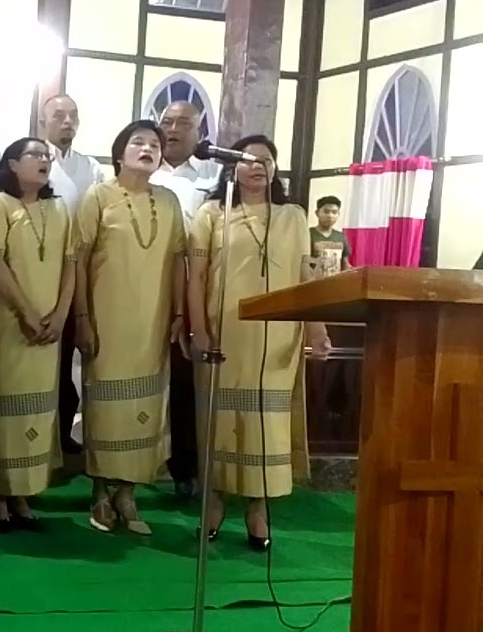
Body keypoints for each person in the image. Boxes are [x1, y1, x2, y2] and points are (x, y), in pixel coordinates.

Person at [189, 134, 330, 552]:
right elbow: (195, 277)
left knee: (266, 426)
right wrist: (198, 328)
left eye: (265, 160)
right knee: (218, 421)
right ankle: (213, 501)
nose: (256, 166)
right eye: (248, 159)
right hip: (224, 332)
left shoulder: (293, 216)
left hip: (277, 338)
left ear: (275, 169)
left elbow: (309, 280)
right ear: (231, 166)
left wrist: (317, 328)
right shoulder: (213, 213)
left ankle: (258, 508)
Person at [73, 120, 186, 536]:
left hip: (152, 322)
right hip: (107, 320)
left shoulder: (170, 201)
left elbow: (178, 260)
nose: (148, 149)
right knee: (106, 407)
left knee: (145, 409)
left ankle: (128, 492)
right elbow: (78, 260)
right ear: (119, 153)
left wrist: (177, 315)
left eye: (155, 144)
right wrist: (82, 318)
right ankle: (101, 491)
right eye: (138, 142)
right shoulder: (97, 197)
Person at [0, 137, 74, 531]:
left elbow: (71, 262)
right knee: (3, 400)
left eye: (46, 156)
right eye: (35, 155)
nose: (44, 161)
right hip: (8, 323)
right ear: (12, 164)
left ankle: (24, 495)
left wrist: (62, 312)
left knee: (37, 405)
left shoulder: (60, 208)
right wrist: (27, 311)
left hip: (50, 324)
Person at [149, 101, 221, 498]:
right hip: (153, 290)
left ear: (199, 132)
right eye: (167, 122)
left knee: (190, 383)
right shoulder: (142, 174)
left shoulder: (213, 178)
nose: (173, 130)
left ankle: (191, 467)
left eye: (183, 124)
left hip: (202, 293)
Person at [40, 93, 109, 457]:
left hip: (77, 270)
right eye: (59, 115)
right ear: (43, 122)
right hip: (35, 268)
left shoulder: (91, 168)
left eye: (73, 116)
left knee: (69, 359)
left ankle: (64, 434)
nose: (67, 122)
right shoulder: (31, 157)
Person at [310, 195, 352, 275]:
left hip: (336, 284)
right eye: (326, 211)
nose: (330, 215)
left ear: (338, 214)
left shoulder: (341, 237)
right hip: (314, 284)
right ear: (317, 213)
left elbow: (345, 262)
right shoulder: (308, 234)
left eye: (334, 212)